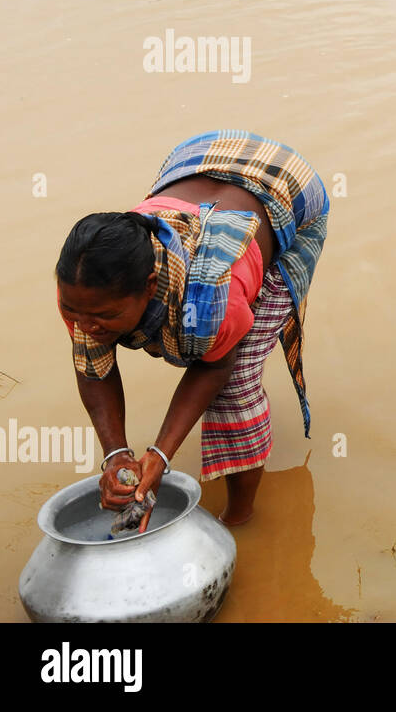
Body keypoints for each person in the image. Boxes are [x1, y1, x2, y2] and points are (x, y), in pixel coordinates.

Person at [55, 130, 328, 528]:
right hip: (199, 157)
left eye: (102, 316)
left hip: (288, 185)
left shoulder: (213, 294)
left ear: (150, 286)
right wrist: (116, 455)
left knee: (235, 383)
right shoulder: (85, 289)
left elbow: (215, 368)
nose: (84, 324)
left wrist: (161, 455)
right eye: (72, 310)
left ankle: (239, 517)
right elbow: (93, 368)